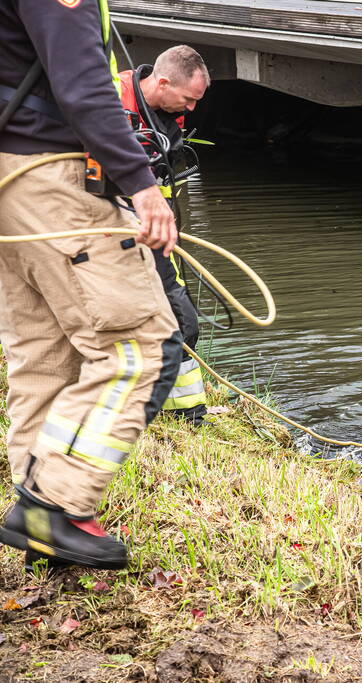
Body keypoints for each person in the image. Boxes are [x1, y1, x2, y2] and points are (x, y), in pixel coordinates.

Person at [0, 0, 181, 570]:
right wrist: (141, 184)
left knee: (46, 354)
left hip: (12, 183)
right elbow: (82, 85)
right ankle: (52, 504)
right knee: (140, 348)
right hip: (52, 180)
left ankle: (39, 516)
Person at [118, 45, 211, 425]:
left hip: (153, 236)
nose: (190, 109)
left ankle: (184, 413)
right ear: (162, 82)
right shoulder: (110, 101)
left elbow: (165, 186)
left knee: (183, 321)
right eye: (188, 99)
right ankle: (158, 409)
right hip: (108, 233)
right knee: (165, 318)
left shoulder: (168, 119)